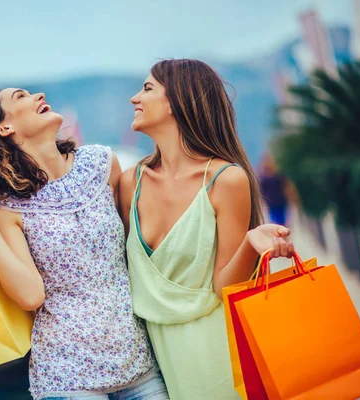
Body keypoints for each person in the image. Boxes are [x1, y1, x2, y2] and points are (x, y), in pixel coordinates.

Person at [0, 89, 167, 400]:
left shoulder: (103, 164)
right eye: (21, 96)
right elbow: (30, 295)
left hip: (139, 367)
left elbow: (136, 251)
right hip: (67, 377)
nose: (38, 95)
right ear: (3, 128)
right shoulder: (7, 208)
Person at [118, 59, 294, 399]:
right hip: (156, 365)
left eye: (148, 88)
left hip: (218, 357)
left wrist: (250, 243)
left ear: (176, 102)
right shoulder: (130, 183)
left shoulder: (225, 179)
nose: (134, 98)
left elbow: (225, 287)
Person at [259, 152, 290, 225]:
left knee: (282, 222)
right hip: (271, 203)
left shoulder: (278, 175)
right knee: (275, 222)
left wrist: (290, 197)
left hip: (280, 202)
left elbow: (286, 186)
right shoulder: (263, 178)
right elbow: (261, 192)